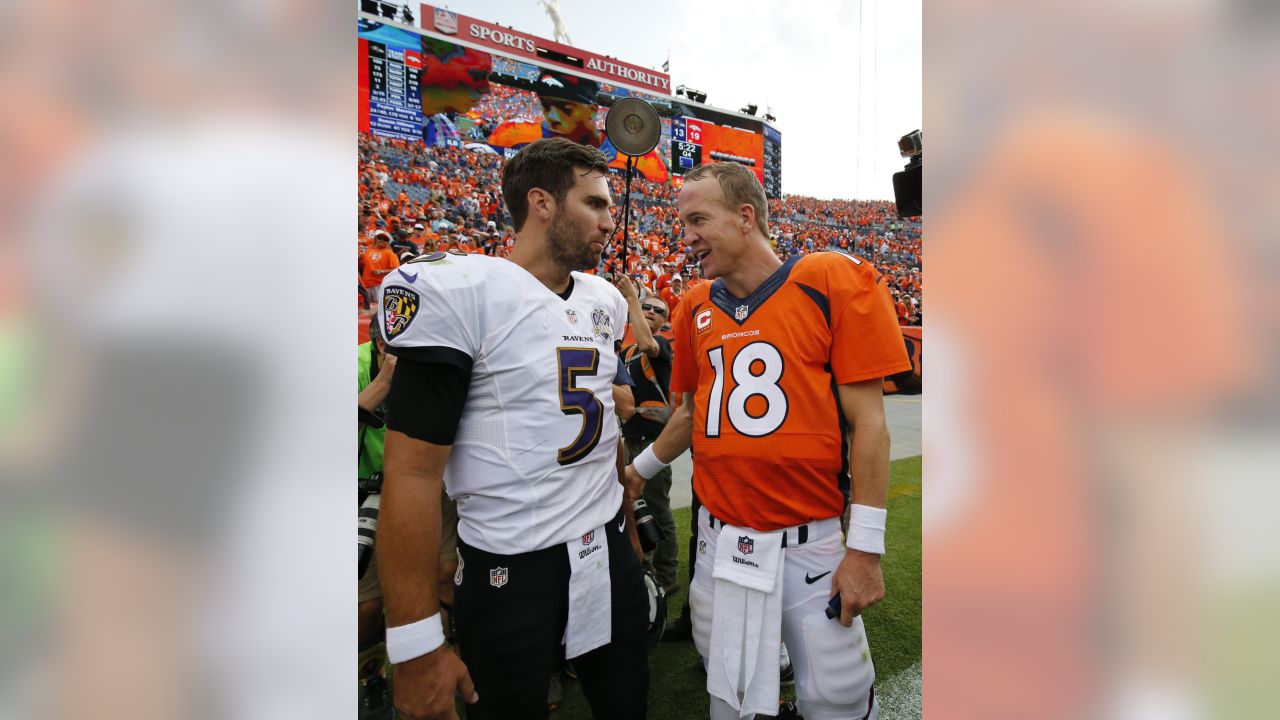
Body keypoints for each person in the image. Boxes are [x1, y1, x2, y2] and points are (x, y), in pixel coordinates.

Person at [624, 162, 910, 720]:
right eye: (682, 223)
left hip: (811, 541)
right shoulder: (695, 306)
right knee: (730, 698)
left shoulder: (831, 280)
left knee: (838, 695)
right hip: (720, 544)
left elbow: (869, 423)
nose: (686, 237)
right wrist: (639, 470)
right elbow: (689, 413)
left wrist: (866, 548)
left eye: (698, 219)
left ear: (745, 216)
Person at [376, 137, 649, 720]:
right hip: (513, 564)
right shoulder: (466, 291)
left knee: (626, 702)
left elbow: (601, 434)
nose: (610, 221)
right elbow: (412, 472)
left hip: (604, 546)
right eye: (595, 204)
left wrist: (626, 532)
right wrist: (416, 644)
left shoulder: (604, 300)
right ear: (542, 203)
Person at [613, 281, 678, 595]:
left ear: (665, 320)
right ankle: (644, 567)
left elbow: (646, 342)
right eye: (647, 307)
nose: (651, 311)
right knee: (633, 506)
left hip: (654, 441)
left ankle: (666, 576)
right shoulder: (626, 351)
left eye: (658, 310)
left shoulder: (661, 345)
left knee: (657, 507)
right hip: (630, 437)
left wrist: (633, 301)